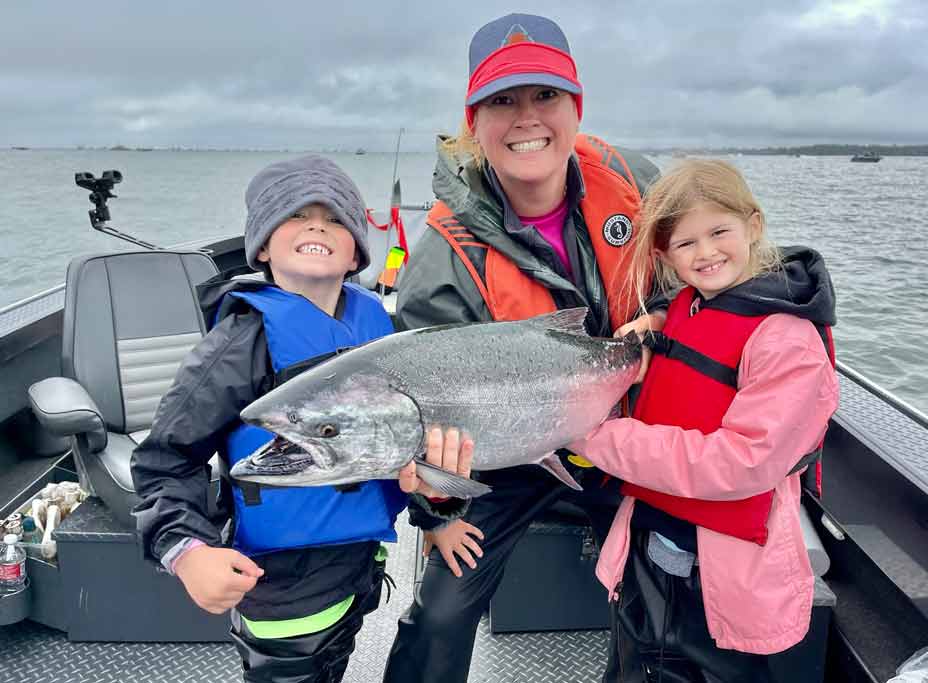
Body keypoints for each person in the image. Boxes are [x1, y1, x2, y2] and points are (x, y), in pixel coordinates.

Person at [383, 13, 664, 683]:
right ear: (474, 121)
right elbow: (423, 400)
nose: (526, 117)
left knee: (664, 588)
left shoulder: (638, 181)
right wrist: (435, 506)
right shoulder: (440, 259)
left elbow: (700, 284)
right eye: (502, 101)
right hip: (507, 457)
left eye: (545, 96)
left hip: (630, 431)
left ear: (576, 109)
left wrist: (661, 325)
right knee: (443, 609)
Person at [131, 155, 473, 683]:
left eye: (336, 217)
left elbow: (402, 443)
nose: (318, 225)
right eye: (296, 214)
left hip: (358, 565)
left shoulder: (377, 330)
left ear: (357, 248)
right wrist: (188, 552)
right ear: (263, 245)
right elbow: (164, 460)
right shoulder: (239, 344)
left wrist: (435, 519)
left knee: (336, 660)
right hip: (283, 588)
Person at [567, 159, 840, 682]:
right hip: (650, 546)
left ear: (752, 226)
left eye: (719, 232)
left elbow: (741, 464)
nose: (707, 253)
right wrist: (656, 324)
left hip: (719, 576)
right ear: (664, 254)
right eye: (686, 243)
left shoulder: (788, 343)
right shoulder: (689, 306)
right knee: (632, 666)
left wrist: (601, 438)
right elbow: (694, 323)